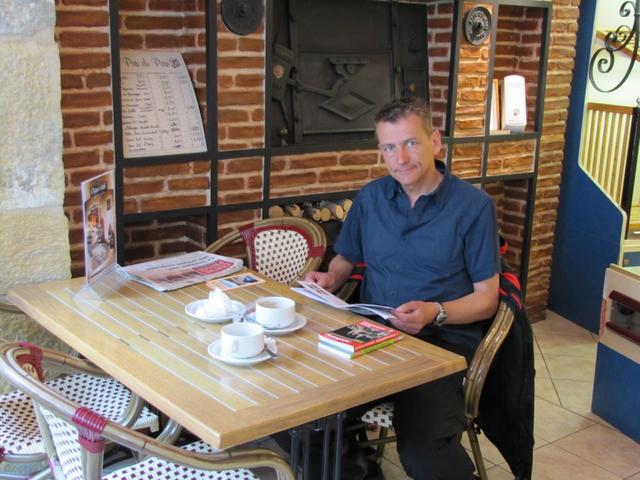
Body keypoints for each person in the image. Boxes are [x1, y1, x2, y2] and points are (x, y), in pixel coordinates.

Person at [305, 96, 500, 480]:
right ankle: (359, 470)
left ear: (435, 142)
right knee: (304, 417)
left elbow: (487, 299)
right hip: (371, 334)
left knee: (424, 455)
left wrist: (435, 312)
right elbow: (345, 259)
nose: (401, 158)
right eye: (389, 148)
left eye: (411, 143)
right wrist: (331, 278)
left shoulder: (474, 207)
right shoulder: (371, 197)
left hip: (439, 344)